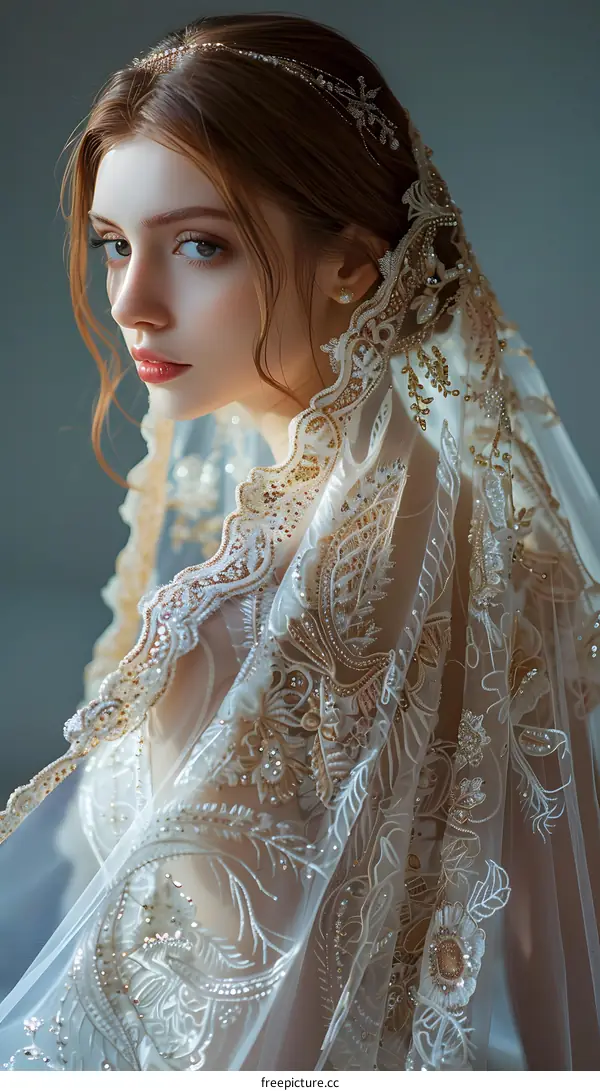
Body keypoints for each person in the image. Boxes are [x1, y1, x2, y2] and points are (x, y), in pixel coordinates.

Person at [0, 11, 599, 1072]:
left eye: (199, 245)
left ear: (354, 266)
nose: (134, 303)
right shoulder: (476, 514)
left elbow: (256, 1014)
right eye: (114, 245)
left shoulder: (238, 616)